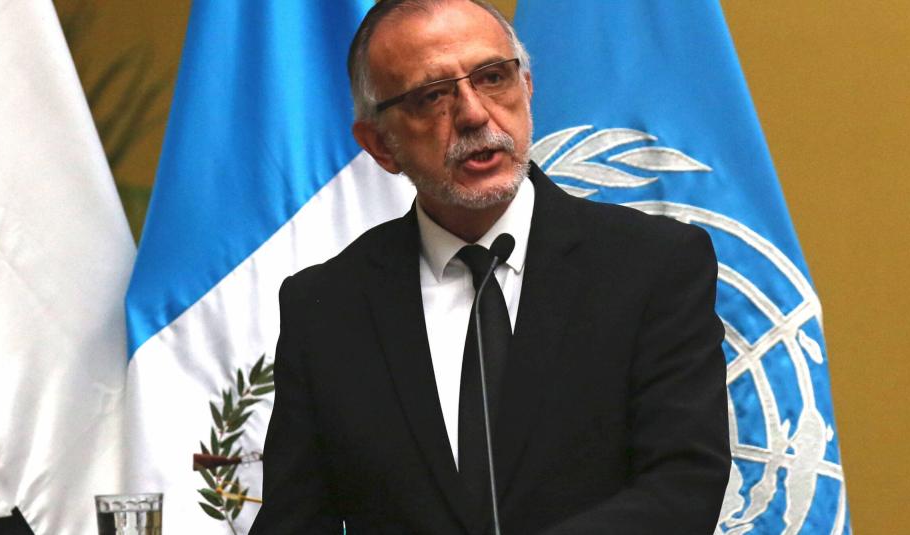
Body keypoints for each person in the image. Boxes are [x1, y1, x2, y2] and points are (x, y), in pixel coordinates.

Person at [251, 1, 729, 533]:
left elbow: (683, 488)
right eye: (432, 95)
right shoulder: (326, 307)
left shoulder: (653, 265)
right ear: (381, 145)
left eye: (493, 77)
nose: (474, 114)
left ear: (527, 87)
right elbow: (295, 521)